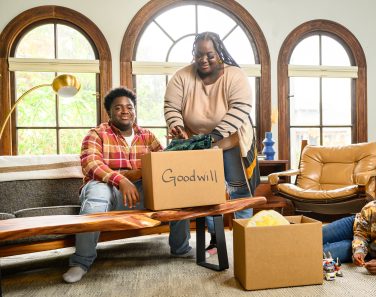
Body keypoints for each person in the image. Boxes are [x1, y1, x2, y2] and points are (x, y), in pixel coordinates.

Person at [63, 87, 192, 283]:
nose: (125, 111)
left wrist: (179, 146)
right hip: (107, 192)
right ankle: (80, 262)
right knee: (98, 192)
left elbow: (164, 167)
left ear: (134, 110)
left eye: (129, 107)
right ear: (109, 112)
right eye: (118, 108)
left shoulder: (147, 136)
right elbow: (91, 164)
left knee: (175, 190)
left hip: (140, 193)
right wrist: (121, 180)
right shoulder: (96, 134)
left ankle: (181, 249)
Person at [164, 31, 260, 255]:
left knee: (239, 193)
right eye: (199, 55)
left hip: (231, 142)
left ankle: (244, 238)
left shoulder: (235, 75)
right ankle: (216, 241)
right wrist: (177, 126)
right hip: (196, 144)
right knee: (206, 194)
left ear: (220, 53)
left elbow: (240, 108)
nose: (204, 59)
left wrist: (214, 136)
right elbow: (171, 106)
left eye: (210, 55)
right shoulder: (182, 76)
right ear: (193, 55)